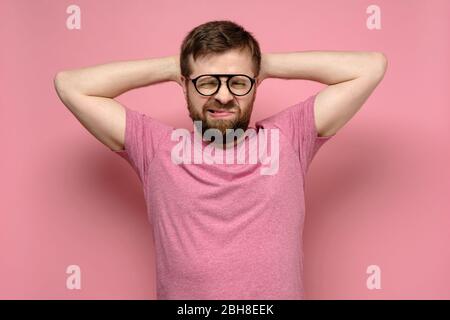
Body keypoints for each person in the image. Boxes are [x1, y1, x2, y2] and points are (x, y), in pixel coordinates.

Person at [54, 20, 387, 300]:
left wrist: (263, 65)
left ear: (255, 85)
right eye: (208, 81)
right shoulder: (155, 145)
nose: (224, 95)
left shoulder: (289, 137)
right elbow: (70, 85)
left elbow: (371, 66)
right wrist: (175, 66)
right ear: (184, 84)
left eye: (238, 82)